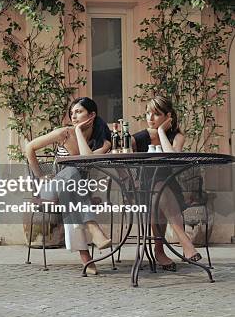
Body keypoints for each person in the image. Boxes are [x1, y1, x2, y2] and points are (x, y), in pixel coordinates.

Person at [25, 97, 113, 274]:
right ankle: (93, 228)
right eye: (72, 113)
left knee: (71, 195)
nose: (73, 117)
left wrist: (79, 132)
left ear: (92, 115)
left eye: (78, 112)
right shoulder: (63, 133)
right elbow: (30, 147)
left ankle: (86, 258)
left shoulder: (104, 141)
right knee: (71, 173)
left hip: (75, 192)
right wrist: (40, 176)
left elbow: (87, 160)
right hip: (52, 189)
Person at [132, 96, 202, 271]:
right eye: (148, 113)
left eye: (156, 114)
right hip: (141, 190)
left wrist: (162, 133)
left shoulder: (176, 136)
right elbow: (120, 153)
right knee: (157, 189)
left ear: (167, 116)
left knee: (160, 189)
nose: (150, 118)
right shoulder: (139, 138)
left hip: (169, 189)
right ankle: (184, 242)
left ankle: (160, 251)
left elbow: (173, 158)